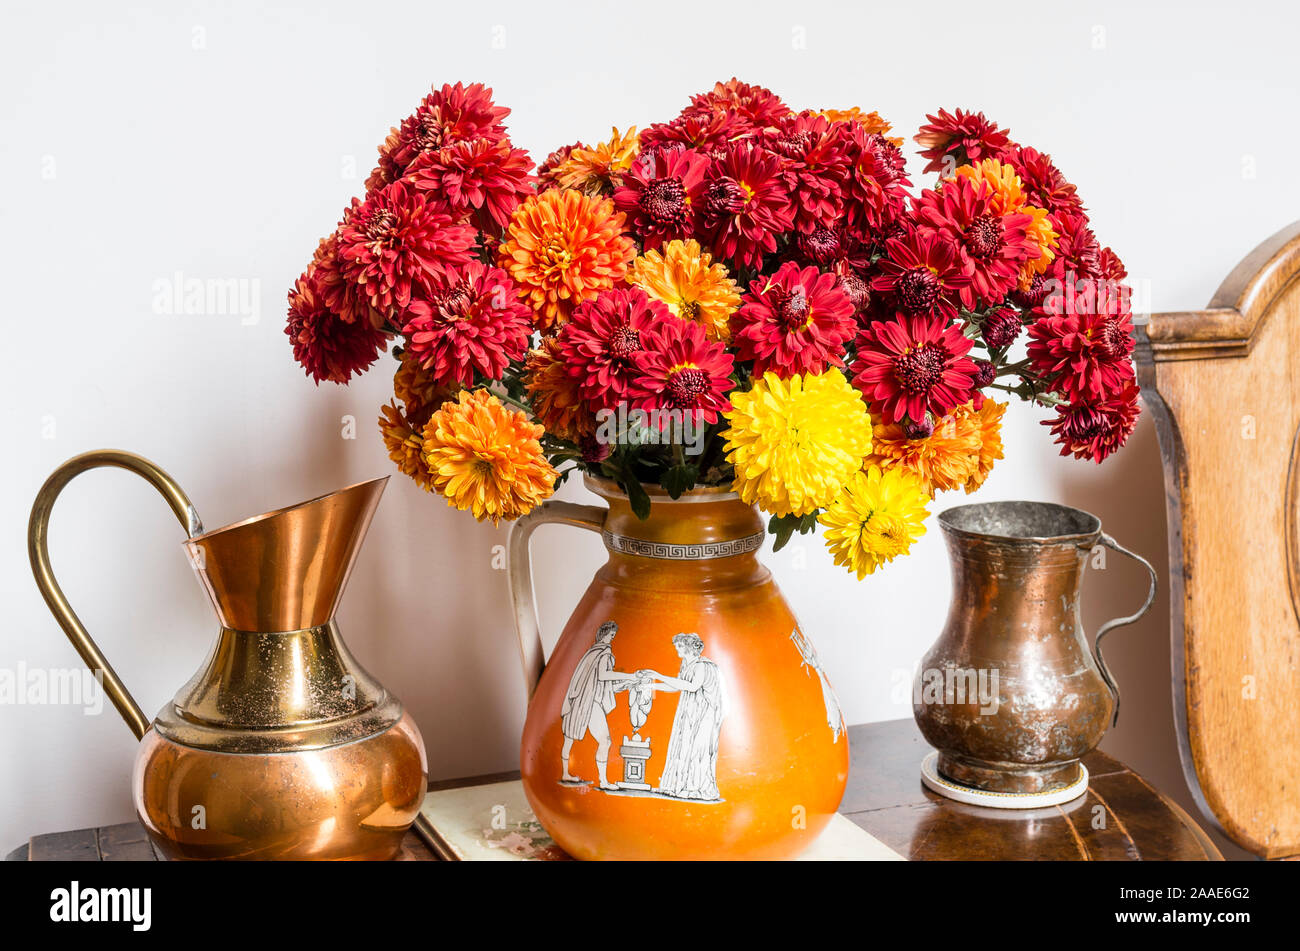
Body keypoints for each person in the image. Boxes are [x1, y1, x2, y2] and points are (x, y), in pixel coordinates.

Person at [640, 633, 725, 801]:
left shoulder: (701, 665)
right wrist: (652, 685)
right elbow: (676, 686)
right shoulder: (686, 664)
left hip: (704, 713)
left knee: (697, 748)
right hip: (689, 709)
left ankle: (694, 788)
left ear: (687, 647)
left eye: (679, 646)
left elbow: (692, 687)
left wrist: (657, 675)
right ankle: (676, 786)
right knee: (683, 744)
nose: (676, 649)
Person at [559, 621, 637, 789]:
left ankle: (565, 773)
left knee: (569, 738)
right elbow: (602, 676)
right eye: (611, 635)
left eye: (613, 636)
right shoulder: (605, 652)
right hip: (590, 702)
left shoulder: (591, 652)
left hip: (578, 699)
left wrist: (624, 684)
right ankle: (603, 781)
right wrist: (629, 677)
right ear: (604, 634)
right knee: (605, 740)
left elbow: (599, 683)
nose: (612, 638)